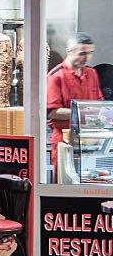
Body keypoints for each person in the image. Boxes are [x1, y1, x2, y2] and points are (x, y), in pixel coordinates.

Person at [46, 33, 103, 168]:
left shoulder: (91, 73)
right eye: (82, 53)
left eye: (90, 53)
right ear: (69, 51)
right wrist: (83, 112)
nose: (87, 58)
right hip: (64, 140)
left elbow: (99, 104)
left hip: (89, 140)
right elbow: (52, 112)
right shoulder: (56, 76)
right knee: (64, 184)